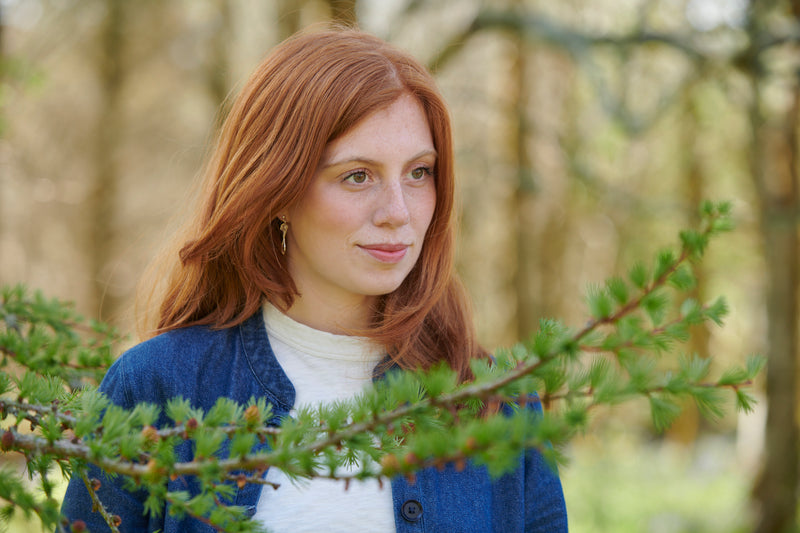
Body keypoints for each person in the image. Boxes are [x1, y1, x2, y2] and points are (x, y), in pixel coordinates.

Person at [61, 26, 568, 532]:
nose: (398, 212)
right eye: (357, 175)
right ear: (278, 189)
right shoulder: (154, 390)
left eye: (419, 172)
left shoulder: (497, 403)